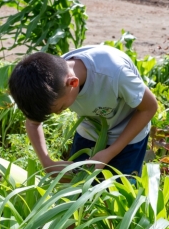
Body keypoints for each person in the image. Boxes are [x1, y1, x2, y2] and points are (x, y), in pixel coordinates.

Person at [8, 46, 158, 177]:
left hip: (128, 136)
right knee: (79, 189)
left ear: (73, 83)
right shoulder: (48, 80)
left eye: (61, 108)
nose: (59, 113)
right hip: (90, 130)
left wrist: (110, 152)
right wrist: (47, 162)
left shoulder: (114, 73)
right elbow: (33, 122)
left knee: (118, 196)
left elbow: (149, 107)